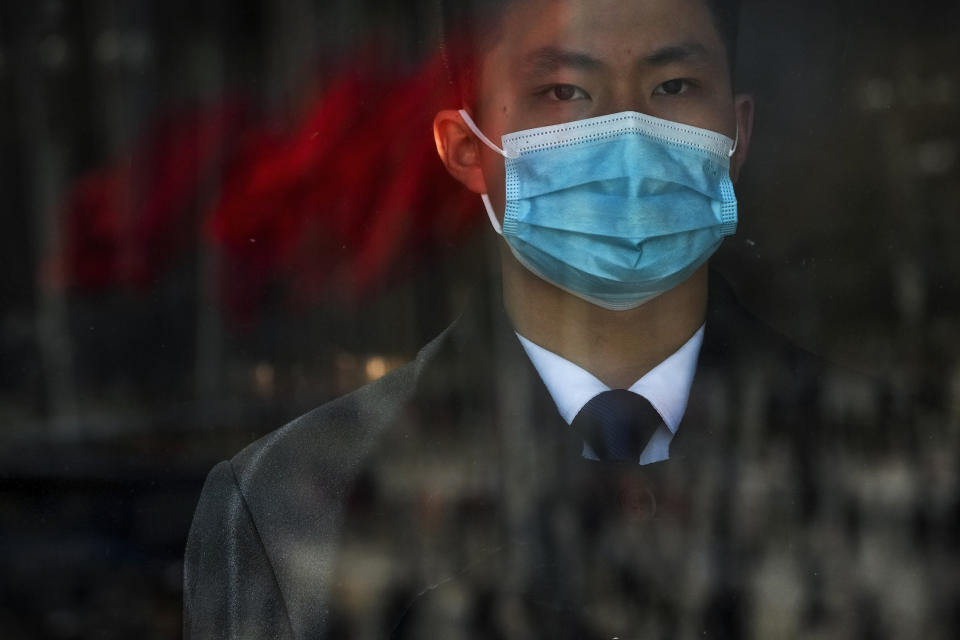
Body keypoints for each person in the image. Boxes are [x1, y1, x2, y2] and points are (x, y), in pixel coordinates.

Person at [184, 1, 949, 637]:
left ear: (737, 135)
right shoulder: (292, 503)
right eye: (565, 92)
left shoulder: (906, 472)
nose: (627, 135)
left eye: (674, 84)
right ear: (463, 147)